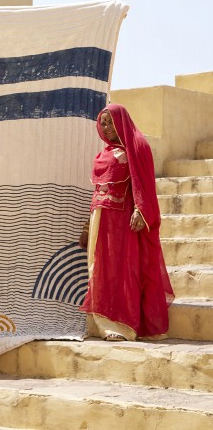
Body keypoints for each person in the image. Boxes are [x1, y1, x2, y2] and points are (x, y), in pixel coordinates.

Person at [79, 104, 174, 341]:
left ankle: (123, 326)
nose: (106, 128)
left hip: (123, 221)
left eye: (110, 122)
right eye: (103, 123)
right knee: (99, 269)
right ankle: (102, 324)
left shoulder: (137, 146)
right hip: (100, 219)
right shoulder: (104, 154)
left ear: (121, 122)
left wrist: (141, 210)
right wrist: (87, 226)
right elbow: (98, 192)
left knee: (123, 270)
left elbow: (144, 184)